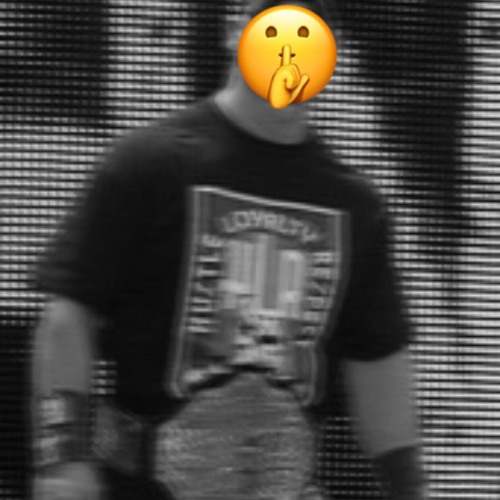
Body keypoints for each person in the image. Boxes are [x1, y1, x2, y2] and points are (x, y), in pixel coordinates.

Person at [31, 0, 425, 499]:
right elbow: (69, 316)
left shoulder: (356, 206)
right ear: (236, 30)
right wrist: (61, 459)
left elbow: (379, 362)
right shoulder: (148, 165)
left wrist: (411, 491)